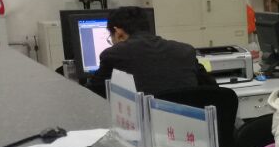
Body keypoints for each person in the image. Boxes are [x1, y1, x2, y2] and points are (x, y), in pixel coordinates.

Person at [86, 6, 216, 97]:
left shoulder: (113, 54)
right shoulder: (185, 51)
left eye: (111, 38)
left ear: (119, 33)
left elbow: (90, 94)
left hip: (143, 126)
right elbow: (213, 90)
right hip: (186, 124)